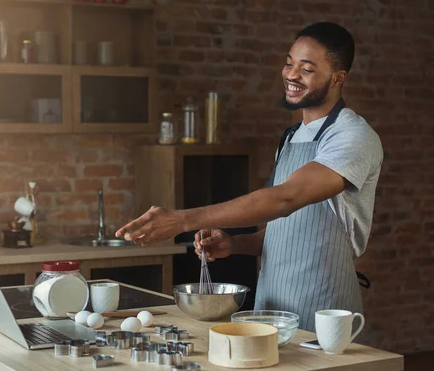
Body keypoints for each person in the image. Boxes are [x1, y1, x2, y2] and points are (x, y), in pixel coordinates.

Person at [115, 22, 383, 332]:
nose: (291, 74)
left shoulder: (352, 136)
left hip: (323, 306)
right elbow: (287, 232)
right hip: (271, 305)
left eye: (306, 69)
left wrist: (181, 220)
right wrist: (236, 243)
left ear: (338, 77)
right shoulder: (291, 137)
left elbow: (286, 198)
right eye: (289, 62)